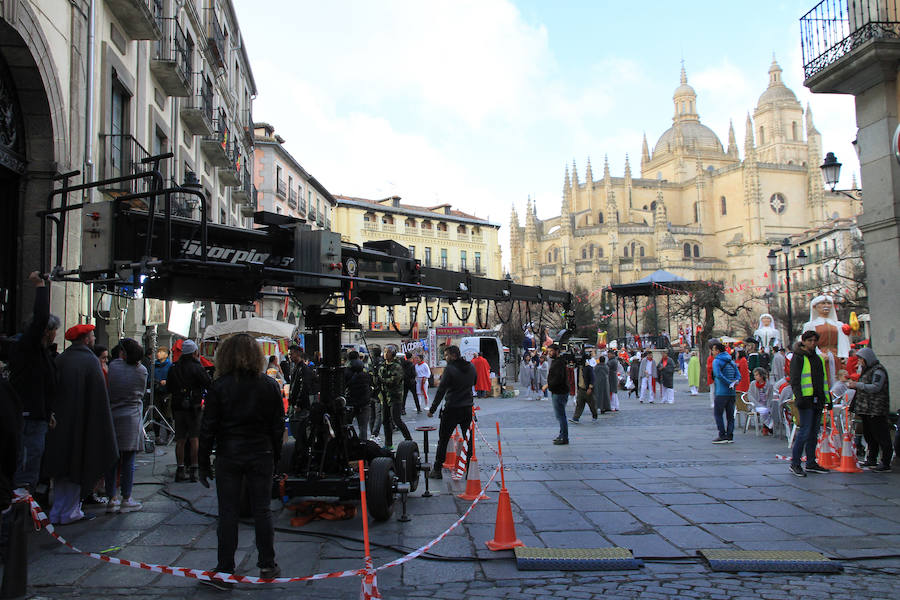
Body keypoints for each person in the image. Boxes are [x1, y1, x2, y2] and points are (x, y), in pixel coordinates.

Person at [198, 333, 284, 589]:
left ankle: (225, 569)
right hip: (261, 453)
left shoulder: (219, 386)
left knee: (228, 513)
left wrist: (202, 462)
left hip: (230, 454)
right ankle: (267, 564)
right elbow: (277, 426)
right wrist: (276, 455)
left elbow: (207, 428)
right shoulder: (269, 385)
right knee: (263, 510)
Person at [43, 324, 118, 524]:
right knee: (78, 465)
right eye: (92, 335)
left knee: (62, 469)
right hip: (82, 424)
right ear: (86, 339)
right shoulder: (90, 361)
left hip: (60, 424)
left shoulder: (61, 359)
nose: (94, 338)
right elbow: (99, 399)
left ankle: (58, 510)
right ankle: (70, 512)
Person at [10, 271, 60, 492]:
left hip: (37, 417)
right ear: (45, 332)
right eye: (52, 331)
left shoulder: (41, 353)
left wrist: (47, 412)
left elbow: (46, 385)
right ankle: (18, 517)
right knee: (25, 469)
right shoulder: (28, 349)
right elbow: (40, 318)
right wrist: (40, 286)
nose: (54, 335)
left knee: (31, 467)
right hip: (28, 419)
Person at [105, 338, 147, 513]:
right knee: (128, 460)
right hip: (132, 416)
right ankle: (126, 498)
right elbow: (142, 392)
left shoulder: (113, 367)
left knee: (112, 460)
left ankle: (111, 498)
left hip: (113, 415)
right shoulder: (142, 371)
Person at [427, 345, 476, 478]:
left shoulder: (450, 369)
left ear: (454, 355)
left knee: (443, 439)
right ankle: (469, 468)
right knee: (468, 440)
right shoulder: (471, 367)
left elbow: (441, 390)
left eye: (446, 355)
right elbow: (474, 382)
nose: (445, 357)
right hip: (467, 407)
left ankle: (437, 469)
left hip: (452, 408)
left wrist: (432, 409)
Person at [166, 339, 212, 482]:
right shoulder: (197, 367)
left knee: (180, 439)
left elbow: (168, 387)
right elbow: (208, 383)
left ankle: (180, 469)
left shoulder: (174, 368)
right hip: (194, 407)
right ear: (194, 352)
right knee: (194, 438)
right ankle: (194, 469)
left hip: (178, 406)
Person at [789, 331, 831, 476]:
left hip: (817, 399)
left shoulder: (818, 358)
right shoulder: (799, 357)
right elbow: (794, 379)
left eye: (815, 341)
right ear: (804, 341)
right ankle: (795, 463)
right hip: (805, 399)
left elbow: (823, 381)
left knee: (813, 432)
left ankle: (811, 462)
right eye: (810, 340)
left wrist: (827, 398)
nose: (813, 343)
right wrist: (799, 397)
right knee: (805, 432)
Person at [848, 347, 891, 471]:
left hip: (876, 409)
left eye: (861, 359)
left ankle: (885, 462)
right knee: (870, 436)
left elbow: (876, 387)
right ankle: (871, 459)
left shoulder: (878, 370)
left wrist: (858, 385)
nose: (859, 361)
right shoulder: (867, 370)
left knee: (881, 436)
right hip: (866, 409)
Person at [377, 347, 411, 451]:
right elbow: (378, 378)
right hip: (384, 397)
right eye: (385, 352)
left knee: (396, 420)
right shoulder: (382, 366)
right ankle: (388, 444)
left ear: (393, 354)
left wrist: (381, 379)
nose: (386, 354)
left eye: (388, 352)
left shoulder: (397, 366)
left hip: (395, 396)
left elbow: (394, 380)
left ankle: (409, 439)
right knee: (385, 421)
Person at [711, 342, 741, 444]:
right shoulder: (731, 361)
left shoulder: (716, 361)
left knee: (718, 414)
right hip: (731, 393)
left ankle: (722, 435)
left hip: (721, 391)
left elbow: (718, 375)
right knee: (730, 415)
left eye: (713, 350)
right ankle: (730, 435)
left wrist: (728, 383)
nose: (712, 352)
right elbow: (738, 375)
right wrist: (734, 382)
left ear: (718, 351)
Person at [543, 344, 569, 445]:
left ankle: (564, 437)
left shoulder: (559, 363)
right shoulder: (557, 362)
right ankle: (562, 434)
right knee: (560, 415)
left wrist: (548, 385)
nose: (549, 353)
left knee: (561, 415)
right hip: (557, 391)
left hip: (559, 392)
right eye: (549, 351)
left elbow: (558, 378)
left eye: (551, 351)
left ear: (557, 351)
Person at [344, 351, 372, 438]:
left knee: (346, 426)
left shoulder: (346, 371)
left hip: (350, 402)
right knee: (363, 428)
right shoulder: (365, 371)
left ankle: (347, 445)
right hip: (364, 402)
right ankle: (362, 446)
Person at [747, 367, 775, 435]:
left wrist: (768, 406)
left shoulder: (769, 385)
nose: (755, 377)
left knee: (772, 410)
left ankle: (767, 427)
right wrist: (758, 405)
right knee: (763, 411)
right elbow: (750, 396)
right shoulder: (753, 384)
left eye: (757, 375)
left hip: (767, 404)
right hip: (756, 404)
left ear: (762, 376)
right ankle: (769, 427)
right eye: (754, 375)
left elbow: (770, 397)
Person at [570, 355, 596, 424]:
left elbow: (592, 378)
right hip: (581, 389)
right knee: (579, 404)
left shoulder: (589, 368)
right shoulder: (579, 368)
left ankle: (594, 416)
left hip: (587, 389)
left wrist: (590, 387)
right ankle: (576, 418)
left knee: (592, 405)